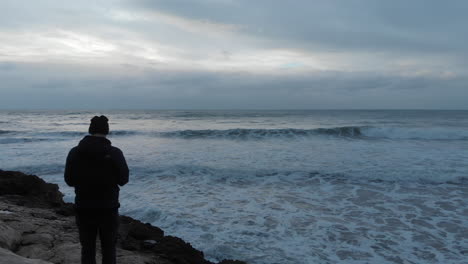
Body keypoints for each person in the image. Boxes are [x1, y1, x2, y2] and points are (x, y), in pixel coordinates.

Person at [64, 115, 129, 264]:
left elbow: (69, 180)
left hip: (83, 207)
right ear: (107, 131)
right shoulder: (114, 153)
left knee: (87, 249)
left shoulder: (75, 152)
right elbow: (124, 180)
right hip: (108, 208)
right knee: (109, 249)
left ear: (90, 130)